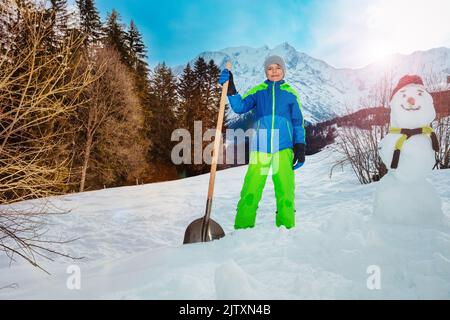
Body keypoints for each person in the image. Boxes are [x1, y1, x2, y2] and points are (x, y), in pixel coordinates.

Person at [218, 55, 306, 230]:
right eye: (270, 68)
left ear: (283, 70)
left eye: (278, 68)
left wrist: (300, 146)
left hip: (284, 148)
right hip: (261, 147)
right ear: (266, 72)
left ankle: (286, 228)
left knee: (285, 191)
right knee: (251, 189)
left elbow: (298, 122)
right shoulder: (259, 91)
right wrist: (231, 90)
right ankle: (243, 228)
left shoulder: (291, 93)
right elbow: (240, 107)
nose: (274, 71)